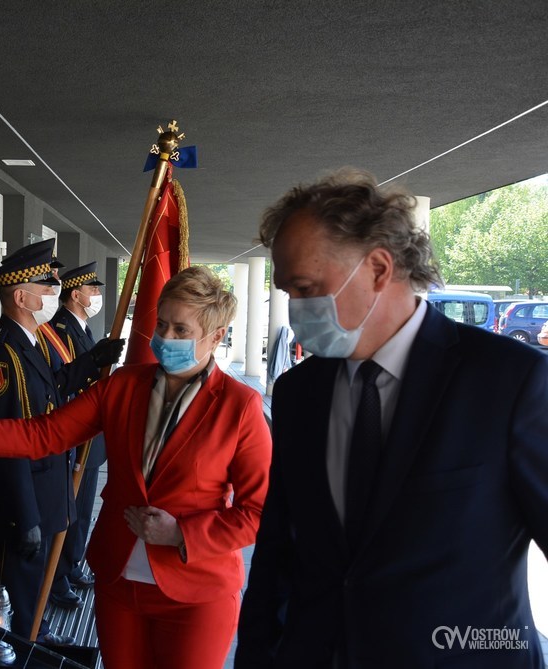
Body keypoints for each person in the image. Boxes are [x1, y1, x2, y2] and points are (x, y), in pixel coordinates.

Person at [235, 168, 548, 668]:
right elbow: (278, 550)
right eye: (287, 291)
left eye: (306, 288)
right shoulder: (298, 392)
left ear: (379, 269)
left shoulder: (511, 380)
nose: (294, 309)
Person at [0, 266, 272, 668]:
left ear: (216, 337)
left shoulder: (239, 406)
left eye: (181, 330)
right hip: (118, 583)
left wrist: (182, 533)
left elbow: (258, 512)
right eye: (162, 324)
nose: (165, 338)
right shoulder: (124, 385)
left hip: (197, 595)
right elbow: (46, 434)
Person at [0, 239, 87, 645]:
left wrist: (94, 361)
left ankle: (35, 635)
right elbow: (6, 441)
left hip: (43, 487)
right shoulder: (0, 355)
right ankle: (17, 647)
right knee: (11, 593)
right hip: (20, 502)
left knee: (31, 586)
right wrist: (26, 516)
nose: (54, 293)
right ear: (21, 297)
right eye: (46, 287)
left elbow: (52, 388)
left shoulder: (31, 341)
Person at [47, 261, 109, 610]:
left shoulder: (82, 327)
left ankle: (71, 565)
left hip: (91, 436)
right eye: (92, 289)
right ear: (75, 295)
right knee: (68, 511)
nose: (97, 295)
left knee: (83, 509)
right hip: (76, 435)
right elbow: (68, 382)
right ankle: (57, 577)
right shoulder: (60, 330)